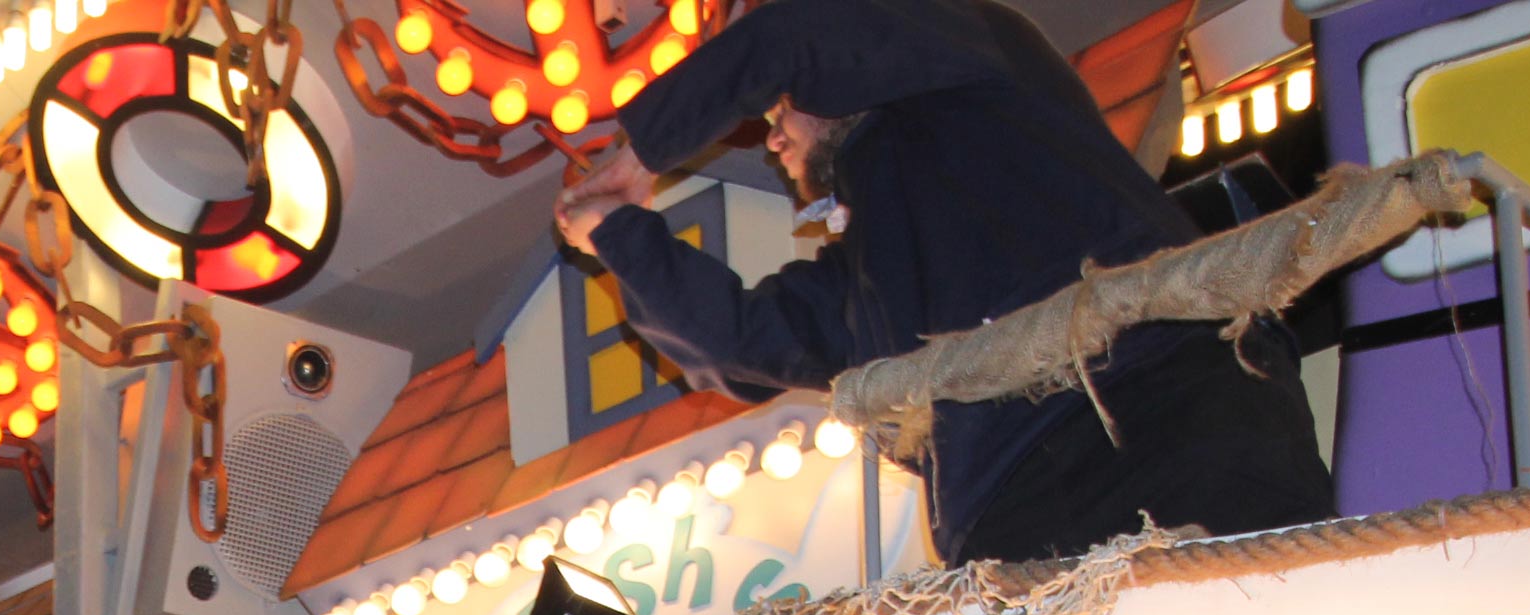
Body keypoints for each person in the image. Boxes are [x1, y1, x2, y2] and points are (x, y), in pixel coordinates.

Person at [556, 0, 1333, 565]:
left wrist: (639, 156)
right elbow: (741, 342)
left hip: (1161, 399)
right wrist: (615, 234)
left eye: (777, 107)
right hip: (1013, 505)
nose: (771, 136)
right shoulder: (867, 278)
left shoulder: (976, 60)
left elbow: (792, 36)